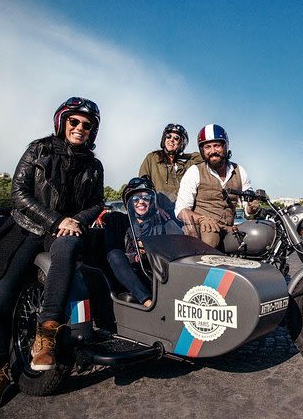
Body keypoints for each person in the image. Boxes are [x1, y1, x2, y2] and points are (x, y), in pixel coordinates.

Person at [0, 97, 104, 414]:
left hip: (63, 234)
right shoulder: (39, 149)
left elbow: (97, 203)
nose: (80, 128)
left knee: (69, 247)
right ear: (63, 121)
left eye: (87, 125)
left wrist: (74, 222)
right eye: (74, 122)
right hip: (26, 228)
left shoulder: (94, 165)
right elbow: (18, 193)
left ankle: (46, 333)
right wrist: (57, 219)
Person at [174, 124, 259, 248]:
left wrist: (252, 207)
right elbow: (181, 210)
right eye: (207, 147)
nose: (213, 151)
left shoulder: (240, 171)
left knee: (258, 238)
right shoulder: (194, 171)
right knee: (211, 237)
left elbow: (248, 209)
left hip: (230, 229)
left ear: (225, 146)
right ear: (202, 150)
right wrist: (201, 219)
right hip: (203, 230)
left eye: (217, 146)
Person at [104, 177, 182, 308]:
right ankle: (147, 302)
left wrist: (153, 250)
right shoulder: (118, 221)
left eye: (146, 198)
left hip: (157, 274)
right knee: (114, 255)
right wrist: (135, 256)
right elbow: (111, 250)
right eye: (135, 199)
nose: (141, 202)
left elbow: (180, 243)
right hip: (130, 275)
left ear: (152, 201)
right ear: (128, 201)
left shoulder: (163, 220)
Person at [137, 124, 202, 222]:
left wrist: (181, 153)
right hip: (160, 214)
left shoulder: (184, 164)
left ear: (182, 143)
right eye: (168, 136)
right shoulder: (153, 158)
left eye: (176, 138)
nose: (171, 140)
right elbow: (143, 187)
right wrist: (156, 207)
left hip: (181, 214)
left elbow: (203, 157)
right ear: (164, 139)